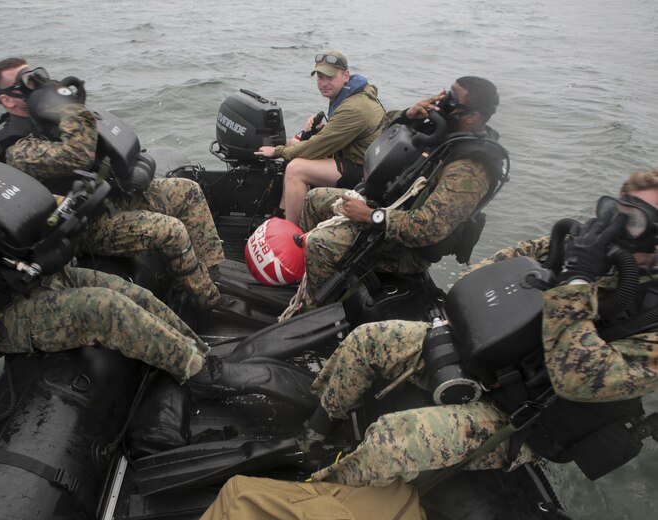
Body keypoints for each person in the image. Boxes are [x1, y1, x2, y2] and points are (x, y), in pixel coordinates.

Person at [200, 169, 658, 518]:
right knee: (368, 341)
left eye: (636, 220)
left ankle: (320, 484)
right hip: (492, 354)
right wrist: (563, 262)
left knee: (388, 441)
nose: (618, 226)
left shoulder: (650, 316)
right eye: (618, 210)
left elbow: (577, 377)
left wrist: (575, 282)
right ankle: (315, 433)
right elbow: (488, 274)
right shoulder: (590, 255)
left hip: (527, 413)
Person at [0, 103, 260, 392]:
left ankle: (202, 356)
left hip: (35, 279)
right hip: (3, 315)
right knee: (106, 308)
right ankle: (207, 378)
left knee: (132, 294)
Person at [0, 57, 225, 310]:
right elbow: (76, 155)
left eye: (37, 78)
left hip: (107, 197)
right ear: (7, 99)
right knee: (170, 231)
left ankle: (212, 275)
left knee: (188, 191)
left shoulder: (46, 118)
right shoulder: (15, 145)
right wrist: (69, 108)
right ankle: (209, 301)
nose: (37, 87)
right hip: (85, 225)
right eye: (27, 83)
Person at [297, 76, 501, 308]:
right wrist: (409, 116)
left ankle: (315, 310)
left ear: (473, 117)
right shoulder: (444, 134)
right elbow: (382, 127)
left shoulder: (470, 170)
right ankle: (309, 278)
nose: (442, 103)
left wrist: (369, 215)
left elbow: (428, 228)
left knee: (321, 244)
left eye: (451, 100)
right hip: (386, 211)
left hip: (404, 248)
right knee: (314, 199)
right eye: (446, 94)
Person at [254, 51, 385, 225]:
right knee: (294, 143)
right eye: (320, 77)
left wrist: (278, 151)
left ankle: (291, 231)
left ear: (346, 75)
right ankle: (282, 211)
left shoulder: (355, 107)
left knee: (295, 168)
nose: (323, 83)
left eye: (329, 77)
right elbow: (337, 134)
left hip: (363, 170)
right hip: (355, 157)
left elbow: (315, 147)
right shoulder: (350, 94)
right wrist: (321, 129)